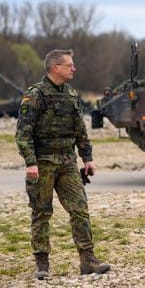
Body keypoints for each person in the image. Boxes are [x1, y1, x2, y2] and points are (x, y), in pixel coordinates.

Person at [15, 49, 110, 280]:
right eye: (69, 65)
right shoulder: (35, 95)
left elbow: (81, 130)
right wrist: (31, 162)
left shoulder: (71, 94)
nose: (73, 68)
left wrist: (87, 158)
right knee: (41, 212)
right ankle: (42, 263)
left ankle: (87, 260)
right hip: (43, 162)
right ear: (55, 68)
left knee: (80, 209)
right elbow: (23, 133)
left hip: (67, 162)